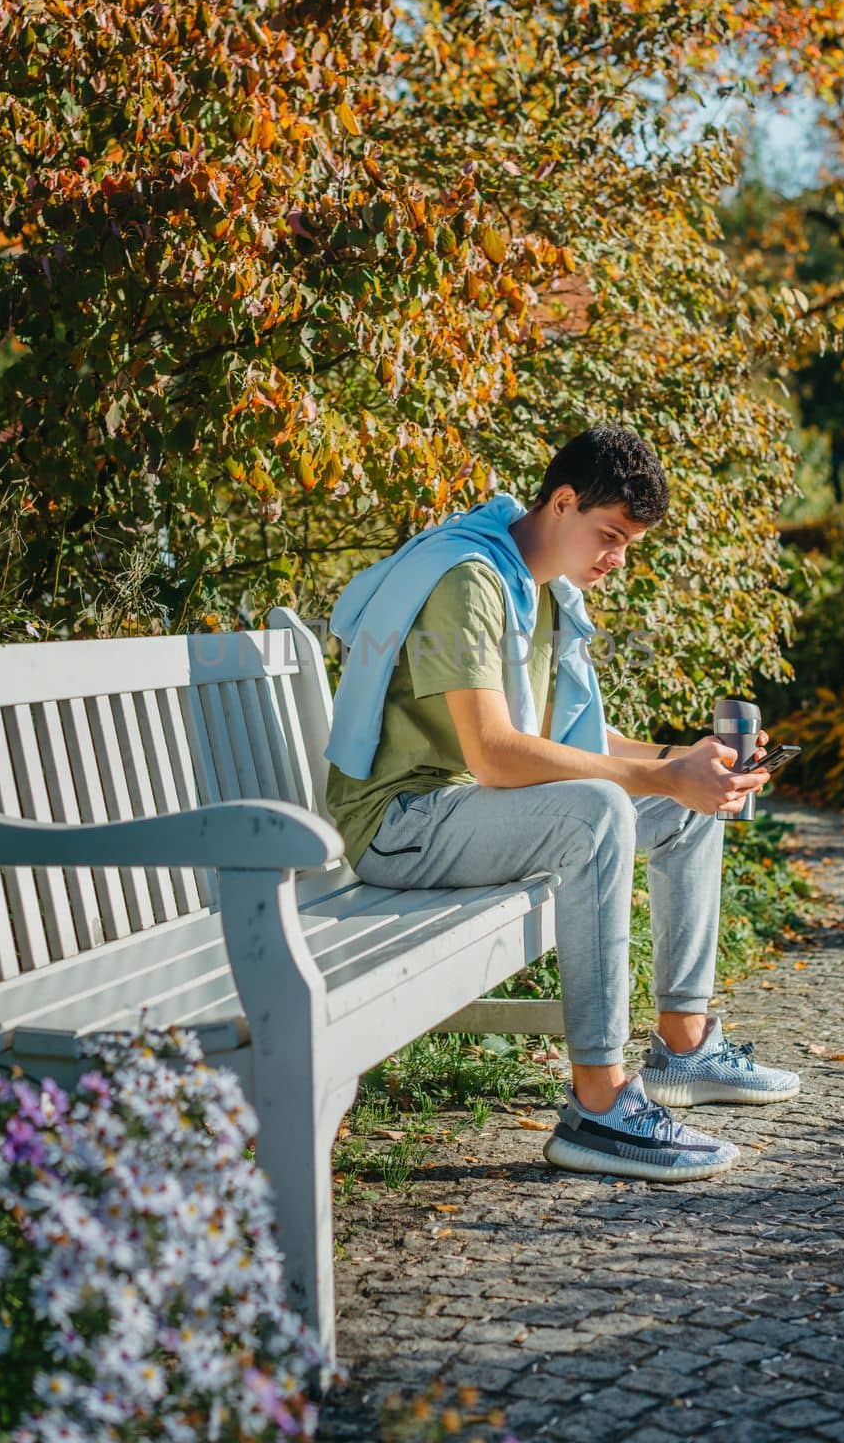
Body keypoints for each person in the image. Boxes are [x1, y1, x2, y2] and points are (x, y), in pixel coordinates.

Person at [323, 426, 800, 1183]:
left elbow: (574, 741)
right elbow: (494, 751)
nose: (617, 558)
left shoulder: (534, 586)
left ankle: (685, 1047)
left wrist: (685, 766)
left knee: (684, 807)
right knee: (599, 810)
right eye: (610, 535)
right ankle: (600, 1105)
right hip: (399, 824)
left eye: (630, 543)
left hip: (466, 812)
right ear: (563, 502)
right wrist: (657, 776)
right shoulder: (471, 579)